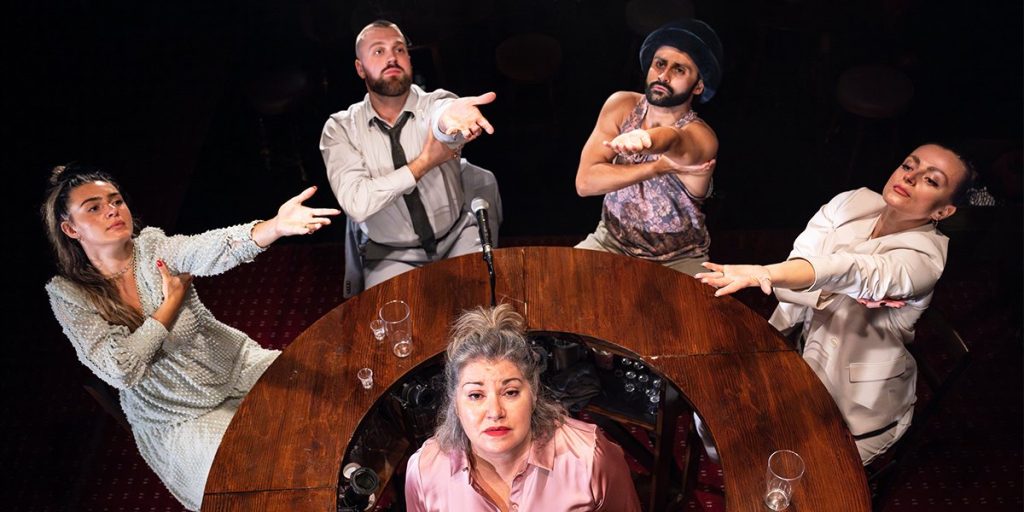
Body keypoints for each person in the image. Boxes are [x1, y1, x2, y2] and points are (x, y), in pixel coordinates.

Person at [41, 164, 340, 510]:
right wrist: (169, 306)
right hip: (176, 415)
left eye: (116, 200)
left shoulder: (153, 248)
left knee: (327, 392)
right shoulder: (69, 295)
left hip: (232, 368)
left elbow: (208, 248)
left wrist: (273, 227)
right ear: (70, 228)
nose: (112, 210)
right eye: (94, 207)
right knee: (256, 479)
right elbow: (122, 369)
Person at [695, 143, 975, 464]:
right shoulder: (852, 202)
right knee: (711, 410)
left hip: (853, 409)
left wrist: (768, 273)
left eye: (931, 180)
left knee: (788, 475)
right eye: (909, 166)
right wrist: (811, 282)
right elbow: (793, 281)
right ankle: (728, 466)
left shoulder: (924, 259)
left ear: (943, 212)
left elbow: (851, 269)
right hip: (797, 355)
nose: (910, 177)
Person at [320, 20, 502, 296]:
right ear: (360, 67)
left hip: (457, 237)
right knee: (391, 320)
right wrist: (424, 162)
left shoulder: (436, 102)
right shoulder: (340, 128)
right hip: (392, 255)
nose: (391, 57)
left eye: (399, 49)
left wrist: (449, 120)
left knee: (482, 310)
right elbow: (357, 204)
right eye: (378, 51)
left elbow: (443, 119)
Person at [405, 305, 641, 511]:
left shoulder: (590, 457)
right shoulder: (424, 473)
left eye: (510, 392)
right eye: (476, 395)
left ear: (534, 393)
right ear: (455, 403)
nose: (495, 412)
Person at [575, 18, 722, 276]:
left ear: (698, 85)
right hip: (610, 241)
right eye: (660, 64)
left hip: (678, 258)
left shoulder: (702, 136)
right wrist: (655, 168)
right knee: (559, 284)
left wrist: (646, 139)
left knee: (698, 303)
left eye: (679, 70)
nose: (663, 76)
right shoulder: (621, 106)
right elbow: (585, 183)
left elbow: (674, 139)